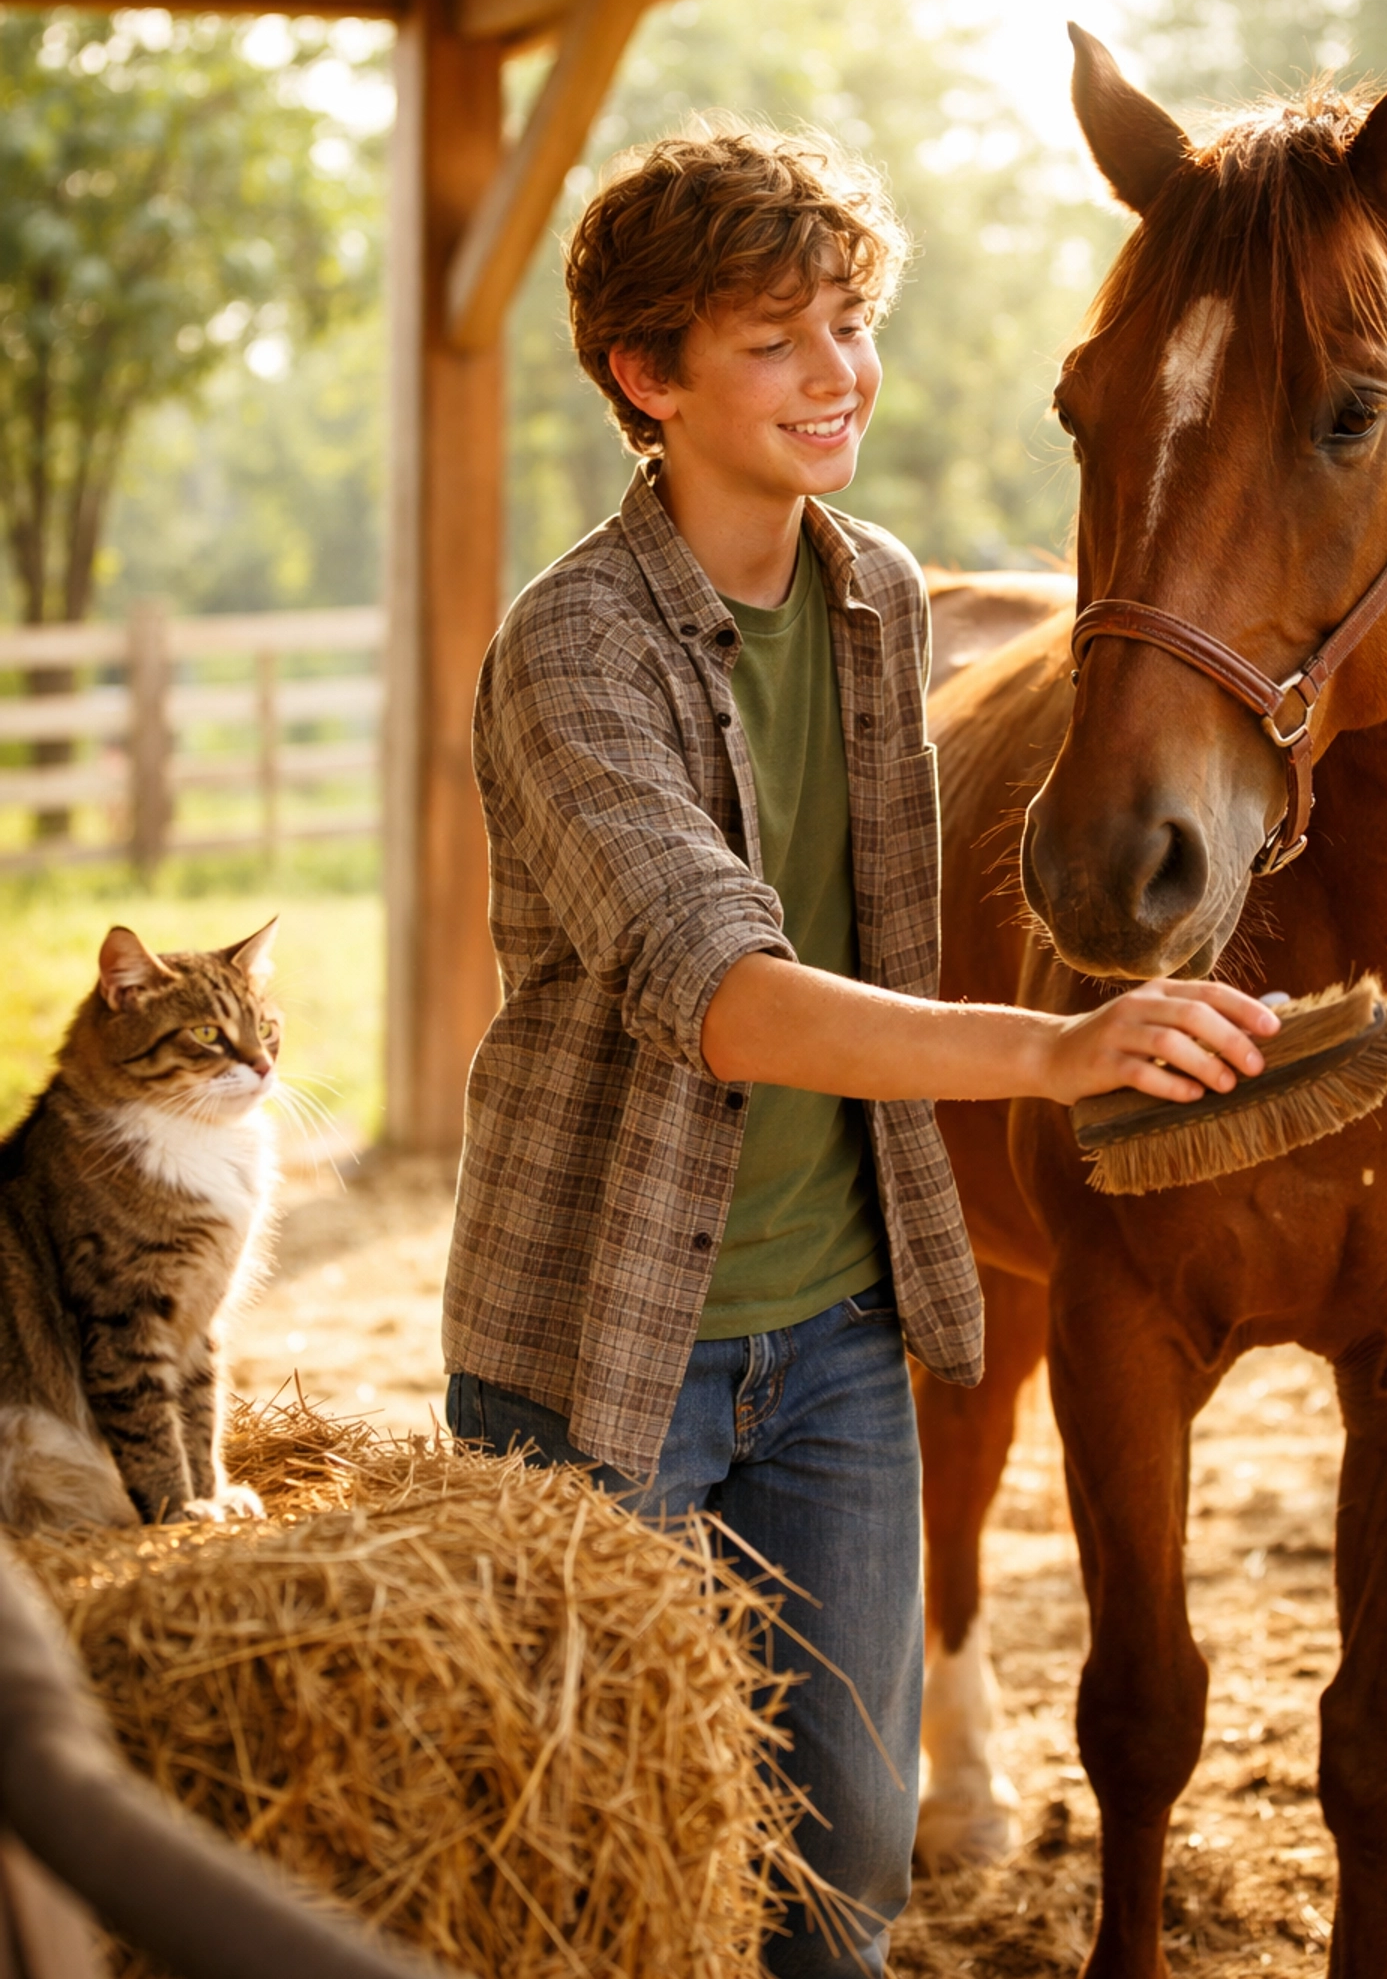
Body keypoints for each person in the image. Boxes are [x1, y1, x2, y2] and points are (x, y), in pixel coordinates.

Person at [442, 122, 1277, 1974]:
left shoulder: (880, 597)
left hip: (837, 1339)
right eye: (776, 340)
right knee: (612, 1879)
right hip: (605, 1342)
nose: (840, 375)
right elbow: (721, 986)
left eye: (851, 321)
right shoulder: (569, 652)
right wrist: (1058, 1058)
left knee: (847, 1874)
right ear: (646, 379)